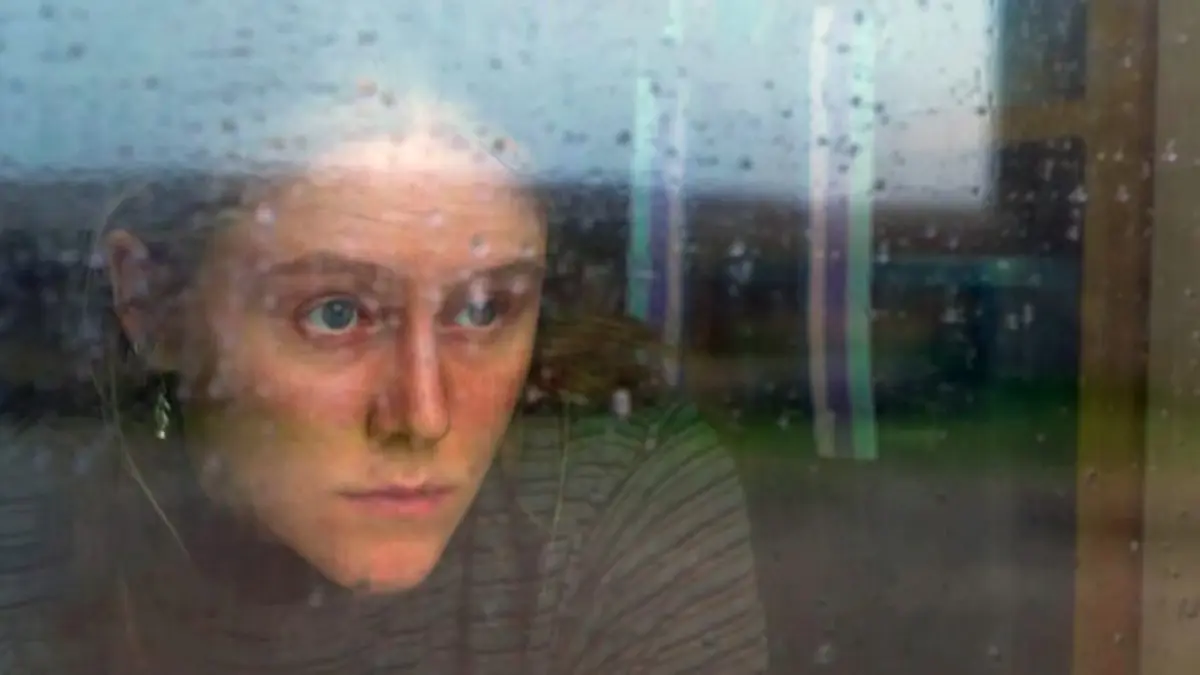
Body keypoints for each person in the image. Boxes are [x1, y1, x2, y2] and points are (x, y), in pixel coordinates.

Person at [0, 95, 768, 675]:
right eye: (335, 313)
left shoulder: (609, 498)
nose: (423, 416)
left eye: (483, 309)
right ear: (154, 306)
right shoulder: (28, 538)